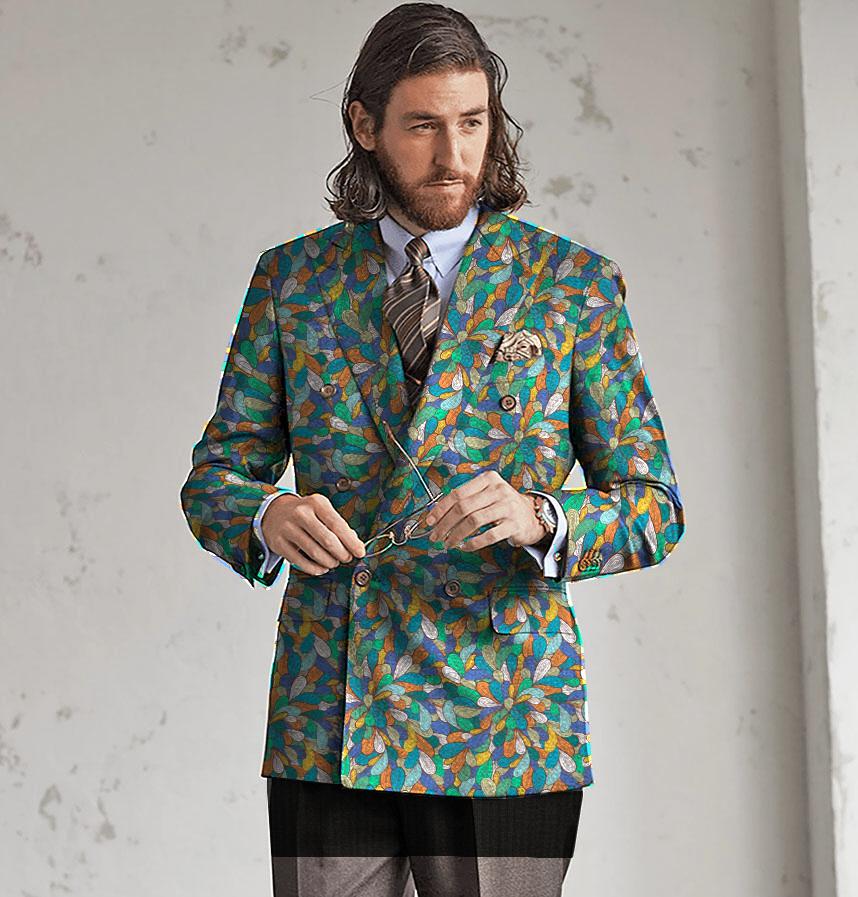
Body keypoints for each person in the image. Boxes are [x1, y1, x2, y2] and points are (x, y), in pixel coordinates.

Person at [179, 4, 686, 895]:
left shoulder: (571, 286)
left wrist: (541, 516)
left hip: (507, 717)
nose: (454, 156)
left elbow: (655, 506)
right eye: (423, 126)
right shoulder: (293, 280)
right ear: (364, 124)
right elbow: (215, 478)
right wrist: (267, 514)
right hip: (331, 704)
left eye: (473, 123)